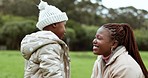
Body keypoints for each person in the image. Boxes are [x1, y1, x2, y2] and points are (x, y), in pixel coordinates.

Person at [20, 0, 70, 78]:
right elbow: (53, 74)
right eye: (64, 25)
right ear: (54, 24)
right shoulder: (49, 46)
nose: (65, 30)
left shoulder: (40, 43)